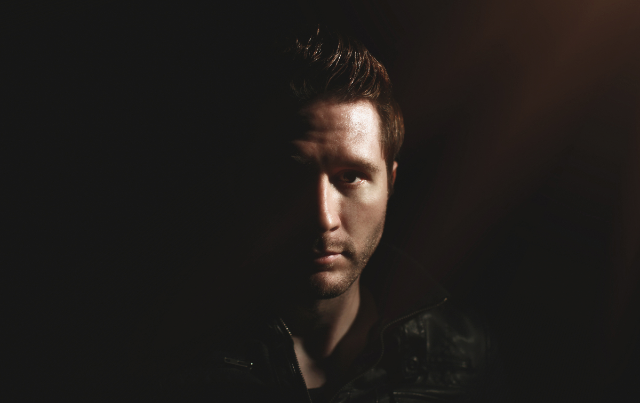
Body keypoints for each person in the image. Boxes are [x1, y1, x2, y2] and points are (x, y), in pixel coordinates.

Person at [147, 25, 507, 403]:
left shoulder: (464, 356)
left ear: (391, 182)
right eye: (292, 177)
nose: (323, 218)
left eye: (351, 176)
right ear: (248, 182)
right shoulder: (172, 363)